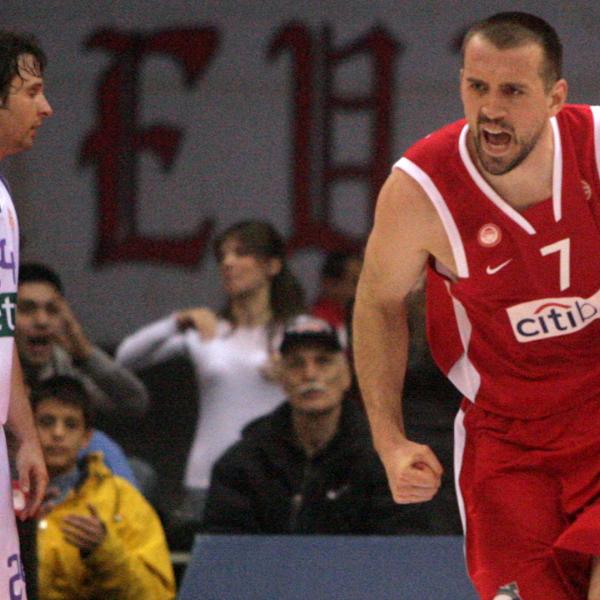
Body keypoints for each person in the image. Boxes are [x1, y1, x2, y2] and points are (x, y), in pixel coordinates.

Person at [353, 11, 600, 600]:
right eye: (477, 86)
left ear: (555, 97)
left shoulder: (596, 147)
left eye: (513, 91)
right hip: (508, 438)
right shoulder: (420, 190)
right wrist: (390, 441)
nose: (490, 108)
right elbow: (378, 303)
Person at [116, 220, 305, 521]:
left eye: (241, 253)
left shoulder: (299, 333)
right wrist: (177, 321)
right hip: (207, 476)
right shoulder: (208, 331)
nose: (228, 263)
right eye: (223, 256)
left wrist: (296, 372)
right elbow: (125, 358)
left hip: (277, 476)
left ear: (272, 265)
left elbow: (338, 379)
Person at [202, 314, 426, 534]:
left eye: (323, 361)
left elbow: (401, 545)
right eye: (296, 364)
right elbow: (225, 548)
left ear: (347, 375)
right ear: (282, 380)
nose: (310, 374)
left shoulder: (384, 461)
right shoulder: (243, 464)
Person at [32, 375, 175, 599]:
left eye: (71, 424)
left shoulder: (122, 499)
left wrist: (104, 553)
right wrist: (25, 540)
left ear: (86, 438)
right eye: (46, 422)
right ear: (27, 430)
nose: (58, 433)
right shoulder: (7, 500)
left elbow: (157, 595)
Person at [0, 31, 52, 598]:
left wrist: (26, 436)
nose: (46, 107)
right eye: (31, 91)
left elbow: (2, 326)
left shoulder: (4, 199)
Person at [16, 262, 148, 484]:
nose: (42, 321)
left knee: (131, 467)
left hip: (58, 485)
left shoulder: (63, 364)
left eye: (52, 310)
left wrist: (85, 353)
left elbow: (133, 403)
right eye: (27, 309)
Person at [311, 250, 362, 336]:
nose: (363, 288)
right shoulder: (320, 323)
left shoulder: (355, 315)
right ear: (330, 283)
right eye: (355, 281)